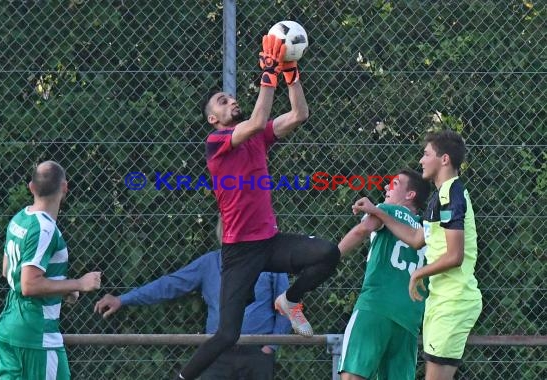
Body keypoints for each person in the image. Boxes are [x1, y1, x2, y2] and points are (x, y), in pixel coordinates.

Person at [173, 34, 340, 380]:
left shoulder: (257, 137)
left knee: (328, 254)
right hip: (239, 252)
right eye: (223, 101)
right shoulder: (216, 142)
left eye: (231, 97)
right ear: (213, 120)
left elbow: (299, 114)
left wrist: (290, 73)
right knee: (227, 334)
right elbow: (254, 120)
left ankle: (290, 300)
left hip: (269, 243)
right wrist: (268, 74)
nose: (231, 101)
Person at [353, 130, 482, 380]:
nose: (421, 160)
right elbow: (415, 238)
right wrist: (377, 212)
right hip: (442, 300)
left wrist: (418, 274)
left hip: (453, 302)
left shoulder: (451, 195)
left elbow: (455, 255)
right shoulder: (439, 197)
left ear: (444, 159)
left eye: (426, 154)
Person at [94, 218, 292, 380]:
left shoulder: (270, 263)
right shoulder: (209, 263)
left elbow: (285, 304)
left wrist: (270, 347)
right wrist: (123, 299)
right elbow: (169, 285)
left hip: (256, 354)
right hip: (217, 353)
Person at [0, 161, 102, 380]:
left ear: (31, 187)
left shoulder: (20, 218)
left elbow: (8, 270)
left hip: (11, 326)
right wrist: (79, 284)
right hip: (36, 334)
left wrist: (61, 289)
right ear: (65, 187)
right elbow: (29, 284)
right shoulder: (44, 228)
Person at [337, 169, 431, 380]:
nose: (387, 187)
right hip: (410, 316)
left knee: (353, 375)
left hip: (376, 306)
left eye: (395, 184)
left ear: (410, 195)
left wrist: (331, 256)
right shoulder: (426, 230)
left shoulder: (386, 210)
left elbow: (362, 230)